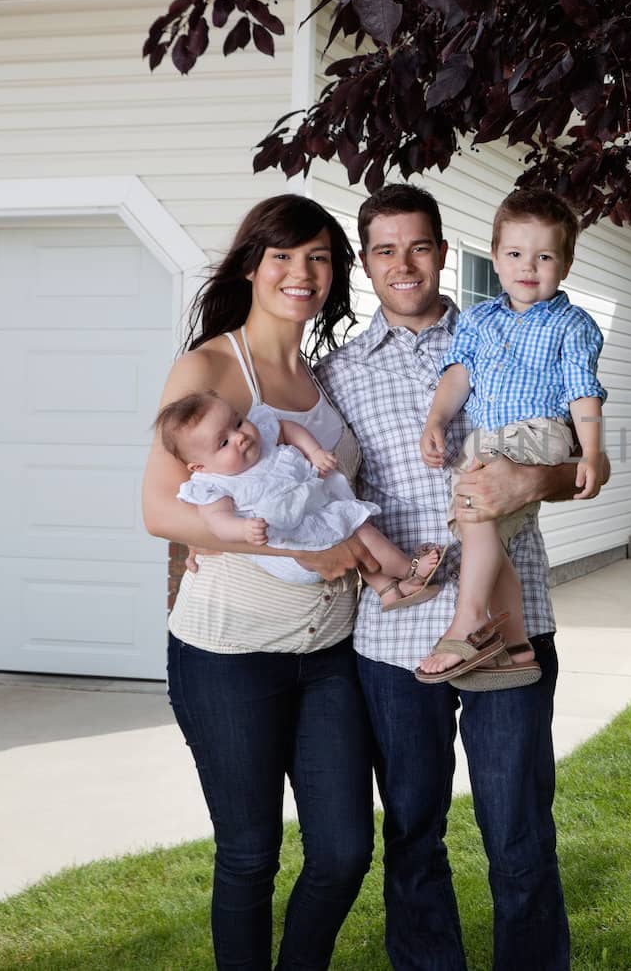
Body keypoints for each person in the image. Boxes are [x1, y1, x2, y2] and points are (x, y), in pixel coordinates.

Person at [315, 183, 607, 971]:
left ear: (445, 253)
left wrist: (527, 484)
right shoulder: (337, 375)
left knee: (517, 830)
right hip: (395, 637)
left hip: (513, 620)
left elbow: (581, 463)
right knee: (413, 830)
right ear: (367, 264)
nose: (403, 264)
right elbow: (323, 497)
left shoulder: (513, 328)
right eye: (384, 250)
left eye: (418, 246)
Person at [141, 195, 379, 971]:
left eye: (317, 256)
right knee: (249, 852)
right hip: (230, 652)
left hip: (330, 650)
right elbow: (158, 509)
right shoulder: (211, 366)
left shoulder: (322, 377)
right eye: (282, 255)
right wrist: (292, 552)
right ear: (251, 265)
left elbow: (325, 498)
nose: (300, 272)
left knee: (344, 850)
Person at [417, 189, 606, 686]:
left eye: (545, 256)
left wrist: (591, 451)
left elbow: (583, 392)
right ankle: (517, 643)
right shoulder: (479, 320)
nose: (529, 266)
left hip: (537, 432)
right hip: (487, 437)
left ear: (565, 265)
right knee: (477, 523)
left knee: (476, 507)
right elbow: (459, 376)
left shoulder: (571, 324)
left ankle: (469, 620)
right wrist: (436, 420)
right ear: (496, 258)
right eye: (516, 254)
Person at [157, 390, 441, 610]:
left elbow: (287, 428)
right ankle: (408, 569)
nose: (240, 437)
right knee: (360, 533)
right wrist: (242, 530)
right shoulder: (214, 484)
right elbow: (217, 523)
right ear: (199, 467)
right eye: (223, 443)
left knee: (354, 537)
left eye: (238, 422)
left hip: (313, 515)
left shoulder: (262, 438)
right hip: (290, 546)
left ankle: (389, 591)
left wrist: (314, 451)